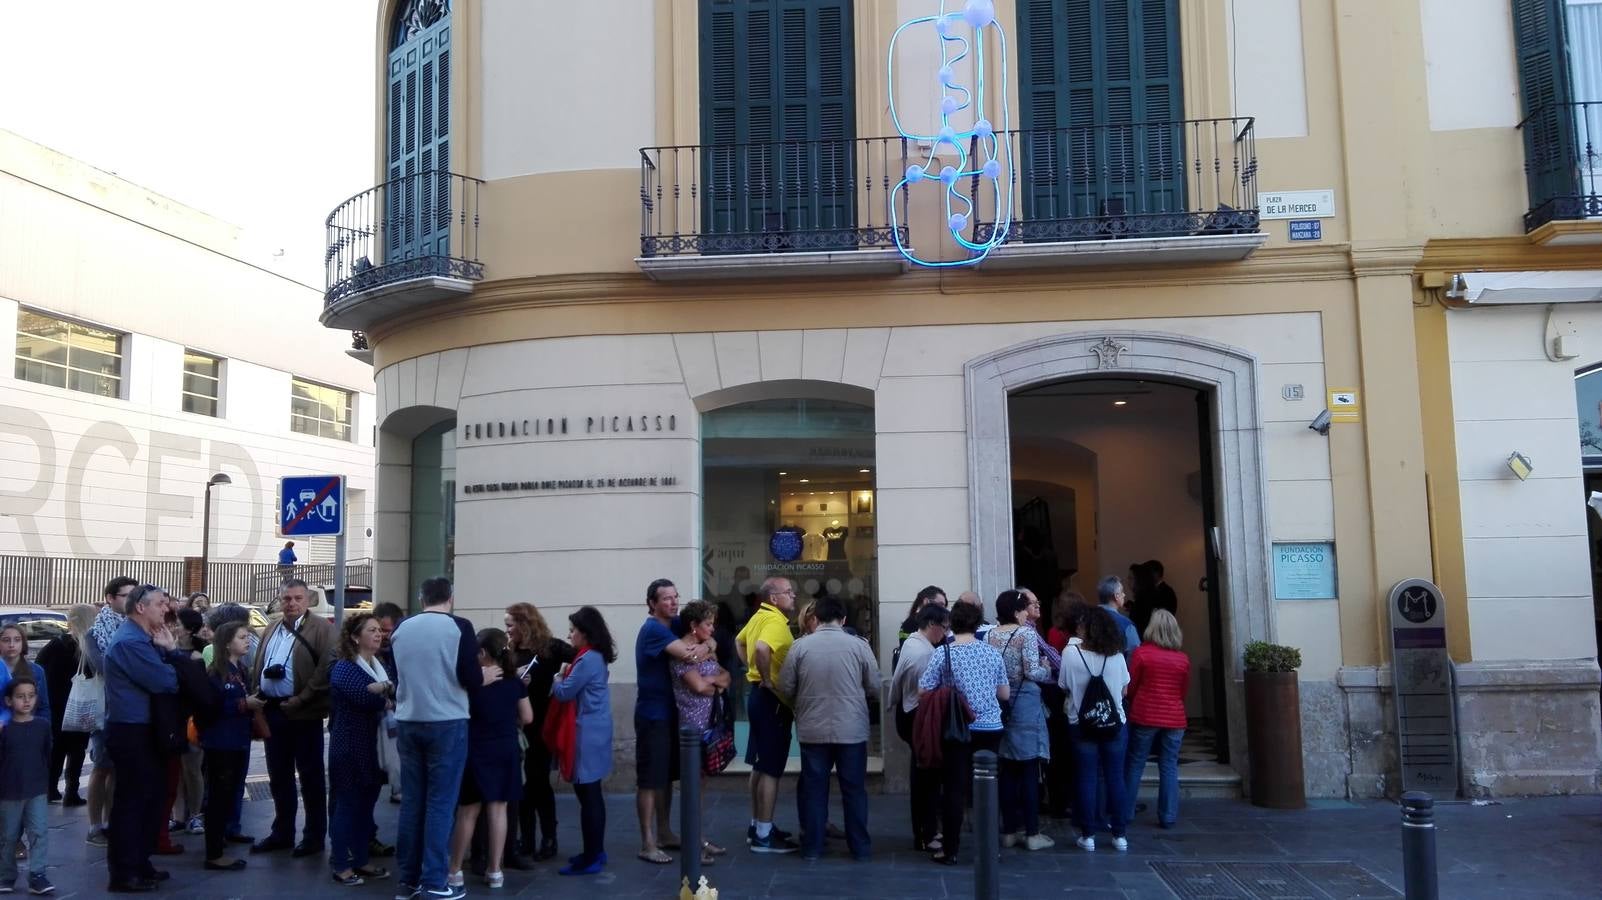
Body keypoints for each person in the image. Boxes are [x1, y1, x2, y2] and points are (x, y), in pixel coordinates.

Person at [391, 576, 500, 900]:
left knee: (412, 803)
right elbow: (468, 676)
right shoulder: (459, 627)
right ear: (450, 598)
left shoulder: (402, 628)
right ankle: (435, 882)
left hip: (409, 719)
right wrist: (486, 675)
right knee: (441, 804)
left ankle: (407, 881)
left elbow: (399, 674)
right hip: (447, 721)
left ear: (421, 598)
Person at [777, 595, 879, 862]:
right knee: (854, 789)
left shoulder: (800, 647)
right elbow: (874, 686)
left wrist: (800, 705)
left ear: (816, 618)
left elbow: (786, 687)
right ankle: (860, 848)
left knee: (814, 789)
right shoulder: (859, 646)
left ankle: (812, 847)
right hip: (852, 729)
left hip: (813, 728)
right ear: (843, 619)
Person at [103, 583, 186, 892]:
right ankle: (125, 872)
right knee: (132, 803)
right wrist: (172, 657)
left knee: (148, 799)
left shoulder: (143, 638)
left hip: (145, 729)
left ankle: (140, 863)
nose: (166, 609)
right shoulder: (130, 643)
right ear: (141, 608)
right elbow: (165, 680)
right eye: (160, 604)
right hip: (131, 730)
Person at [916, 600, 1008, 866]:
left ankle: (950, 849)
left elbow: (923, 691)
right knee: (988, 789)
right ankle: (991, 847)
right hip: (990, 728)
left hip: (958, 729)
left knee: (955, 790)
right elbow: (1004, 693)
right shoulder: (992, 653)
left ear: (951, 624)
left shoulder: (943, 654)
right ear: (977, 624)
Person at [250, 579, 335, 858]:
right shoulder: (272, 627)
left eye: (298, 598)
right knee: (278, 775)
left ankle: (313, 836)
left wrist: (302, 698)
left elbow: (325, 670)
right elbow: (259, 663)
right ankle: (282, 832)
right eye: (287, 598)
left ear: (308, 599)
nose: (292, 604)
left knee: (310, 776)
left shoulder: (322, 629)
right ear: (279, 599)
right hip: (273, 710)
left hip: (304, 712)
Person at [632, 578, 713, 865]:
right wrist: (702, 649)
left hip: (672, 714)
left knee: (666, 778)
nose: (673, 602)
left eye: (675, 596)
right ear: (652, 603)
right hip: (652, 715)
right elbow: (688, 654)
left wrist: (706, 644)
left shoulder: (676, 623)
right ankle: (648, 842)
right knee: (650, 780)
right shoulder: (653, 629)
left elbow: (709, 635)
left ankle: (665, 834)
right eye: (666, 598)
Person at [447, 629, 532, 891]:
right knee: (498, 810)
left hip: (475, 749)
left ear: (482, 653)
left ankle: (454, 870)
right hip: (505, 748)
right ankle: (495, 871)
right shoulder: (514, 681)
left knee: (468, 812)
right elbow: (527, 717)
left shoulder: (473, 683)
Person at [327, 613, 393, 887]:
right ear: (355, 637)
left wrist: (383, 688)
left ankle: (362, 860)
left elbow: (391, 692)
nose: (378, 634)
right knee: (347, 806)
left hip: (372, 747)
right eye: (371, 630)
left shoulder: (378, 665)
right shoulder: (345, 667)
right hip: (348, 746)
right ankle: (340, 864)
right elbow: (365, 698)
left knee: (366, 807)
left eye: (379, 630)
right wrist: (382, 692)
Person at [734, 577, 799, 853]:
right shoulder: (773, 622)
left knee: (760, 765)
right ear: (773, 598)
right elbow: (760, 649)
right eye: (788, 592)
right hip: (771, 699)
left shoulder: (759, 617)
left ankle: (758, 826)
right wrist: (767, 678)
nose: (793, 596)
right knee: (771, 768)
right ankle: (763, 834)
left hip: (758, 697)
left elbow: (740, 642)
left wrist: (752, 671)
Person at [1060, 605, 1132, 853]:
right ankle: (1120, 835)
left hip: (1081, 723)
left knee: (1087, 777)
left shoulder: (1071, 654)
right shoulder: (1117, 655)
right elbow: (1124, 689)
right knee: (1115, 777)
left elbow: (1063, 684)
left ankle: (1088, 834)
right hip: (1114, 723)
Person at [987, 590, 1054, 851]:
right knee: (1028, 767)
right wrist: (1047, 666)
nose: (1028, 612)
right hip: (1025, 702)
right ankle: (1032, 833)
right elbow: (1032, 671)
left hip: (1002, 701)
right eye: (1025, 607)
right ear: (1016, 611)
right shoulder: (1025, 634)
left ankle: (1009, 830)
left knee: (1008, 769)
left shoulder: (992, 633)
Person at [552, 606, 616, 877]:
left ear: (585, 633)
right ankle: (594, 850)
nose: (570, 635)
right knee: (591, 795)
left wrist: (557, 677)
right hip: (595, 729)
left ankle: (592, 855)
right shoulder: (594, 657)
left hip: (586, 733)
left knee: (588, 796)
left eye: (573, 630)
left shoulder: (587, 659)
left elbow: (565, 693)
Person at [505, 602, 571, 862]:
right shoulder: (509, 652)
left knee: (539, 782)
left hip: (542, 725)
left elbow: (582, 656)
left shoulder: (551, 648)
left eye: (510, 624)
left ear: (524, 624)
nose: (507, 630)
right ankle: (528, 839)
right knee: (522, 785)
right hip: (519, 727)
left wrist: (564, 678)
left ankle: (549, 838)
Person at [669, 601, 731, 867]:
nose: (712, 628)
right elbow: (699, 687)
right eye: (708, 624)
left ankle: (699, 837)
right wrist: (714, 683)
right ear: (694, 626)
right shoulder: (683, 652)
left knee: (700, 787)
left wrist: (714, 681)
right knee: (692, 787)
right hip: (692, 728)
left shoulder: (705, 648)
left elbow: (726, 677)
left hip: (708, 723)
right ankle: (693, 845)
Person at [199, 621, 261, 872]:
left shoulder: (241, 669)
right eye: (242, 637)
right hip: (221, 742)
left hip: (238, 740)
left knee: (230, 792)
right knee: (218, 795)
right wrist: (244, 704)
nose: (247, 641)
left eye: (247, 637)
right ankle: (213, 853)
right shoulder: (216, 673)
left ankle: (225, 836)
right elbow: (211, 709)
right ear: (227, 643)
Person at [887, 603, 948, 853]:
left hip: (908, 712)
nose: (946, 633)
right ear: (932, 625)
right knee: (927, 777)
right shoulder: (924, 654)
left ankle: (926, 831)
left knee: (923, 776)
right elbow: (926, 692)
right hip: (918, 716)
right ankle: (927, 833)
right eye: (944, 628)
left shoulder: (913, 641)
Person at [1123, 609, 1190, 829]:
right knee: (1169, 765)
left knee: (1136, 763)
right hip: (1174, 717)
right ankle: (1168, 815)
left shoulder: (1142, 654)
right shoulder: (1182, 659)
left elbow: (1131, 687)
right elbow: (1182, 691)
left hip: (1145, 715)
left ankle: (1126, 811)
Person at [83, 575, 137, 848]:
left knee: (119, 769)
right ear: (110, 598)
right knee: (102, 767)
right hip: (105, 707)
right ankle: (94, 826)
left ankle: (112, 821)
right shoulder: (95, 632)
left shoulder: (136, 627)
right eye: (127, 594)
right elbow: (104, 667)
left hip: (128, 708)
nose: (132, 599)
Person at [0, 678, 53, 895]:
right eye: (20, 697)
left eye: (31, 696)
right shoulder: (5, 729)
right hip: (9, 791)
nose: (27, 701)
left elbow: (46, 753)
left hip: (36, 789)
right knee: (8, 836)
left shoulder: (42, 725)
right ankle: (6, 875)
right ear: (9, 701)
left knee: (39, 832)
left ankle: (37, 874)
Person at [37, 603, 94, 806]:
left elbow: (39, 665)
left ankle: (51, 788)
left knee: (57, 748)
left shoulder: (57, 644)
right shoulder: (90, 647)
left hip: (57, 703)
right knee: (78, 749)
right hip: (83, 705)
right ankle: (72, 791)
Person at [167, 608, 206, 837]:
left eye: (178, 624)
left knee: (192, 769)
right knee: (176, 769)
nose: (174, 627)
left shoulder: (198, 656)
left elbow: (199, 690)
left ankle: (195, 815)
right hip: (172, 717)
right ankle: (178, 815)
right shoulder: (165, 649)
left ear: (189, 629)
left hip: (191, 718)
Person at [371, 602, 405, 805]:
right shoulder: (368, 656)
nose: (382, 635)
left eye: (386, 630)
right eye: (378, 630)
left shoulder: (401, 651)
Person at [1096, 575, 1140, 655]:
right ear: (1116, 596)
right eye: (1122, 592)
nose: (1124, 595)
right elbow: (1134, 654)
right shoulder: (1126, 625)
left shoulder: (1086, 618)